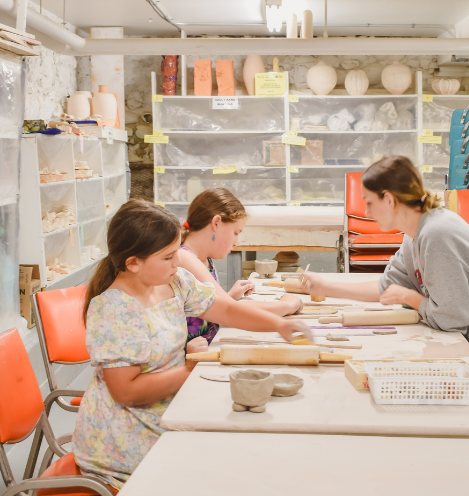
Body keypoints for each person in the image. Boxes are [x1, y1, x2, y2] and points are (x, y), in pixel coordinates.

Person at [73, 200, 312, 490]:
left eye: (177, 253)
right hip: (124, 438)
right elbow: (126, 392)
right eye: (168, 257)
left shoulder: (173, 282)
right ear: (133, 262)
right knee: (228, 468)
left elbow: (225, 309)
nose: (178, 262)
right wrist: (190, 368)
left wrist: (278, 324)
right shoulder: (115, 309)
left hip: (164, 407)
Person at [302, 156, 469, 395]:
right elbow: (386, 288)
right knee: (400, 368)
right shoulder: (416, 232)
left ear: (389, 199)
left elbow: (453, 319)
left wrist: (413, 299)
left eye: (369, 202)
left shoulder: (437, 234)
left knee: (408, 379)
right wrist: (324, 286)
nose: (366, 212)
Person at [178, 188, 303, 345]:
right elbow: (230, 313)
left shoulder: (204, 259)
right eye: (236, 232)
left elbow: (208, 309)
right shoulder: (185, 258)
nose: (236, 242)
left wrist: (228, 296)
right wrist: (286, 306)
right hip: (194, 360)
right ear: (216, 223)